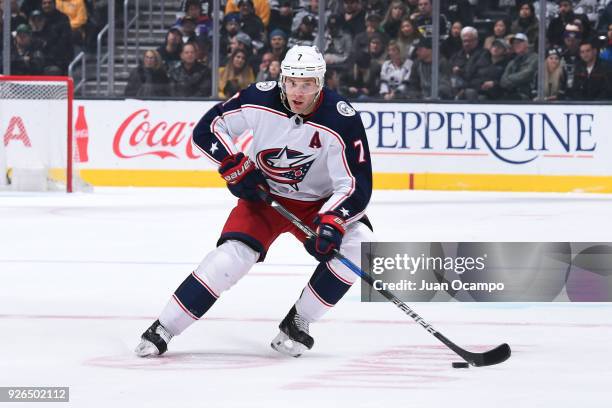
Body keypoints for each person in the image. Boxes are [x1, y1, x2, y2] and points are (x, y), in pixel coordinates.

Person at [135, 45, 374, 359]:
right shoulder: (260, 97)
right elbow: (209, 128)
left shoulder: (341, 118)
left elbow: (356, 183)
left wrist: (332, 221)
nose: (298, 92)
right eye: (291, 82)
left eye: (307, 84)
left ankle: (298, 323)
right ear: (281, 79)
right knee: (231, 259)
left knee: (359, 245)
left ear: (321, 83)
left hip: (317, 203)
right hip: (264, 196)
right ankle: (164, 327)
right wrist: (233, 164)